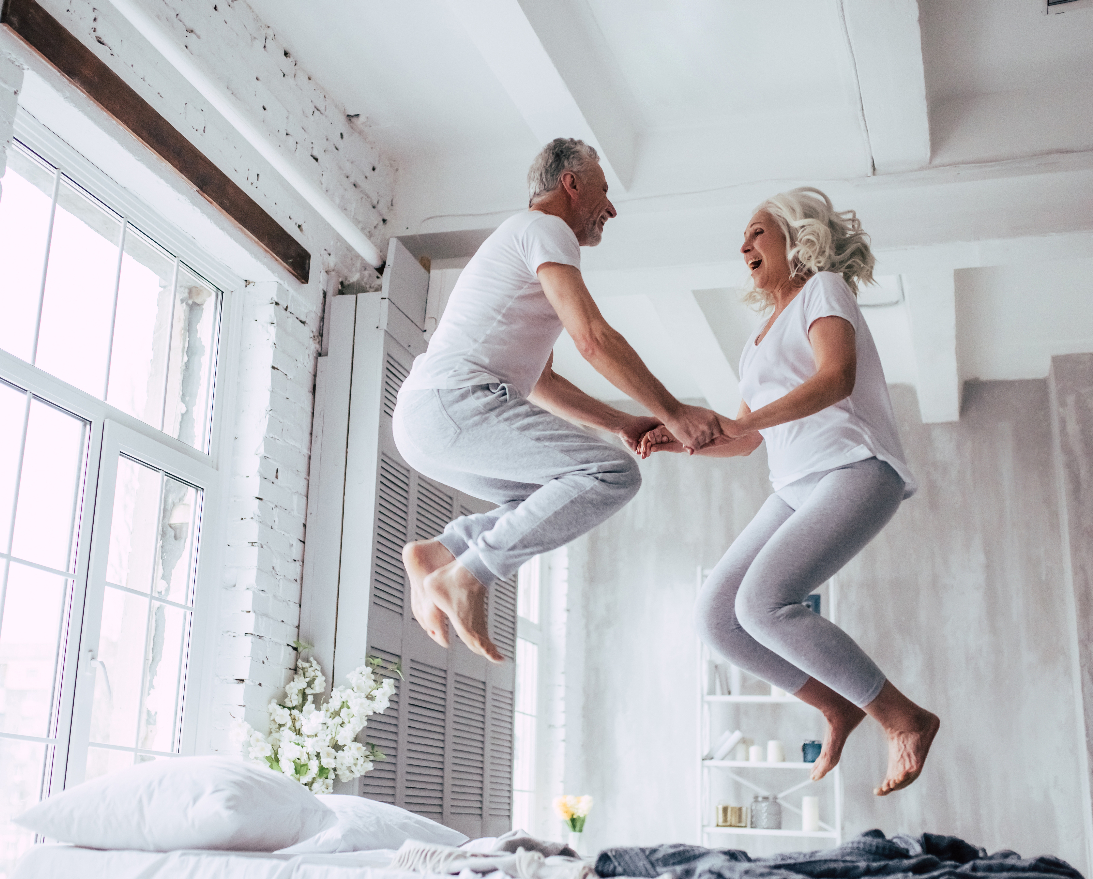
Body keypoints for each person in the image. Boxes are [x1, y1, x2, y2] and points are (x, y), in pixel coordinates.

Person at [641, 187, 939, 796]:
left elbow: (837, 377)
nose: (743, 245)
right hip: (794, 485)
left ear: (796, 236)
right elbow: (746, 439)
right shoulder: (755, 341)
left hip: (855, 468)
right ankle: (837, 705)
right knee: (716, 617)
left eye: (756, 231)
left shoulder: (823, 289)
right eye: (743, 239)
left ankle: (903, 717)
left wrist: (742, 422)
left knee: (762, 603)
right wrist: (680, 440)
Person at [392, 138, 723, 663]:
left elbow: (542, 381)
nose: (611, 208)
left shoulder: (521, 242)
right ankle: (469, 575)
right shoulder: (544, 229)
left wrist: (620, 422)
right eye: (604, 191)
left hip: (427, 417)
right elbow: (592, 337)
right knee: (612, 475)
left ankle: (444, 552)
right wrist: (673, 413)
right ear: (571, 184)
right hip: (454, 403)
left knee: (551, 496)